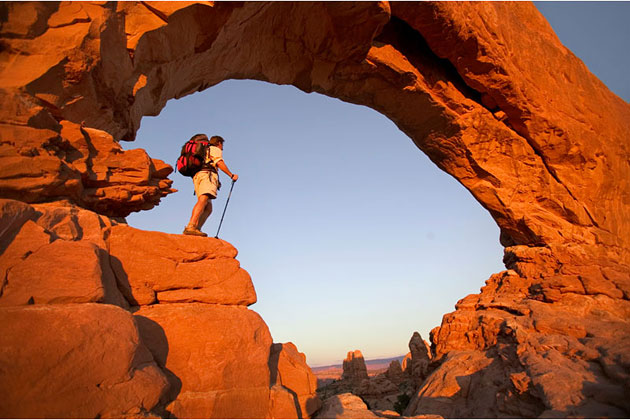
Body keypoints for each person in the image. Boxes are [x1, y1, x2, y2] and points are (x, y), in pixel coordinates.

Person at [183, 134, 238, 236]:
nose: (222, 148)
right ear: (219, 143)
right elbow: (219, 163)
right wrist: (231, 175)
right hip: (206, 175)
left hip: (199, 176)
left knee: (208, 207)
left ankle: (197, 228)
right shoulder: (214, 149)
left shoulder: (205, 151)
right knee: (203, 200)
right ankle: (191, 226)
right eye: (222, 145)